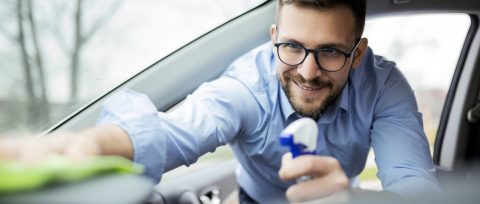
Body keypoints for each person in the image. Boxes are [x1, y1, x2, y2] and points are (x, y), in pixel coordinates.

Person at [0, 0, 441, 203]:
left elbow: (415, 186)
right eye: (291, 46)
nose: (307, 72)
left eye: (330, 51)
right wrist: (90, 146)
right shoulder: (247, 85)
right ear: (273, 40)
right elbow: (176, 130)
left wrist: (351, 200)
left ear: (358, 54)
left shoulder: (385, 87)